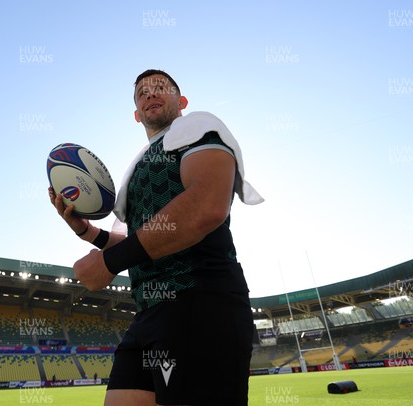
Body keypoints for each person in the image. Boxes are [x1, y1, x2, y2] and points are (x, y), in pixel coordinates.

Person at [49, 69, 263, 405]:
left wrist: (108, 262)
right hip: (149, 312)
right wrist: (85, 230)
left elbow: (205, 207)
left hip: (200, 299)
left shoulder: (198, 127)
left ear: (182, 100)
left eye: (161, 87)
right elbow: (144, 243)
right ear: (136, 114)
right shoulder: (137, 168)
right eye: (142, 93)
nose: (150, 93)